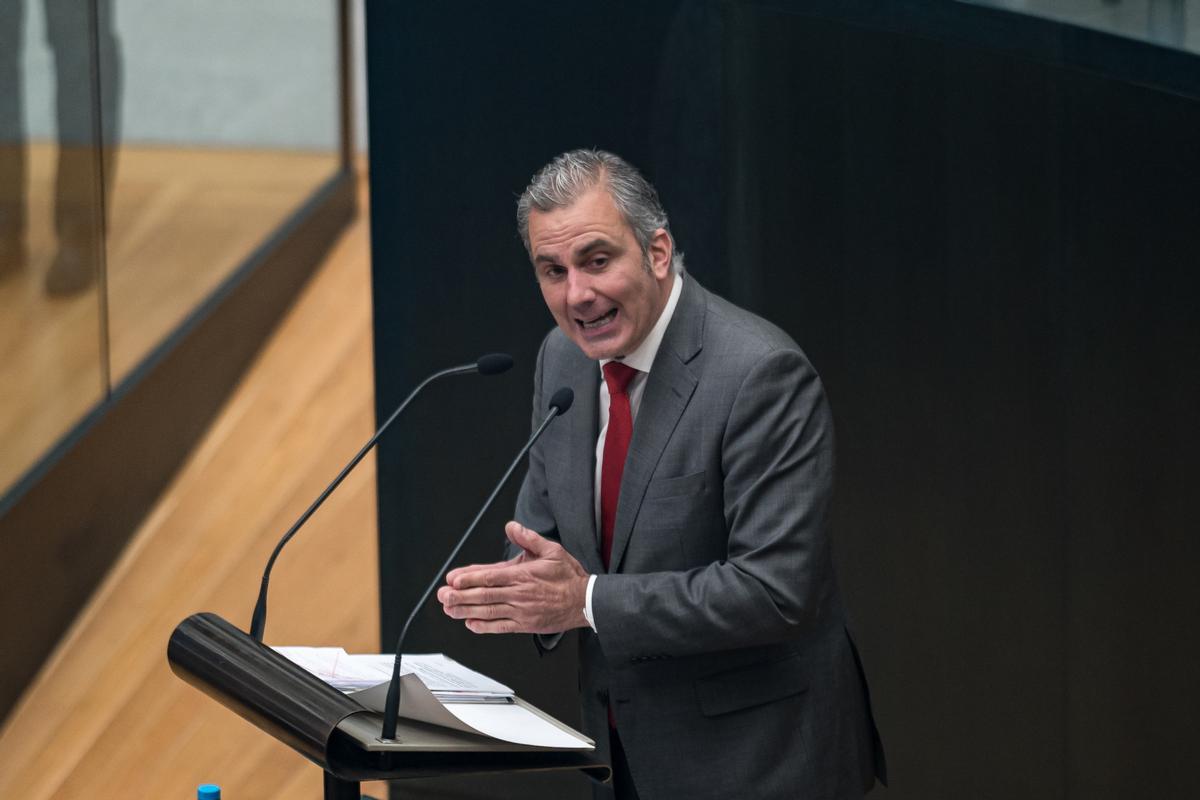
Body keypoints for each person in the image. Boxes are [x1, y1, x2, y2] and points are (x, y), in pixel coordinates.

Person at [437, 149, 886, 799]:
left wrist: (583, 600)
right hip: (623, 752)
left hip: (760, 762)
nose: (577, 295)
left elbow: (775, 592)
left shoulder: (759, 375)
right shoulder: (561, 360)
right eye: (552, 271)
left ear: (656, 252)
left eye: (597, 261)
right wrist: (516, 589)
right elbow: (542, 533)